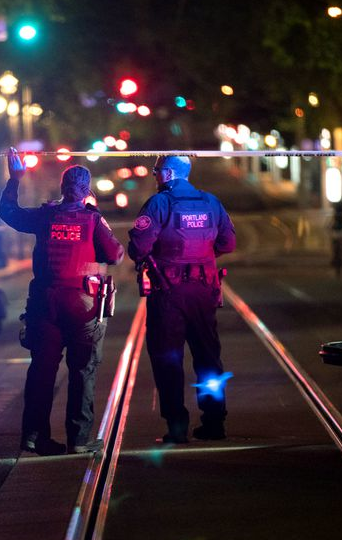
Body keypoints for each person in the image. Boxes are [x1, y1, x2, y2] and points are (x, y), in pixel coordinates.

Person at [0, 147, 125, 455]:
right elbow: (115, 255)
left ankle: (34, 436)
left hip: (44, 305)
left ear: (62, 189)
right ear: (87, 192)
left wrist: (15, 178)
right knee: (83, 369)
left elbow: (9, 213)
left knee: (42, 370)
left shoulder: (46, 215)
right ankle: (80, 439)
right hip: (82, 305)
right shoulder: (92, 220)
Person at [128, 155, 236, 443]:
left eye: (156, 171)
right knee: (208, 358)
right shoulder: (211, 202)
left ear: (168, 173)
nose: (154, 176)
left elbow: (138, 248)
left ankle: (177, 427)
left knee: (168, 359)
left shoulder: (159, 203)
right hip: (204, 291)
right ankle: (214, 423)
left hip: (168, 294)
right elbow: (228, 242)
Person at [329, 200, 342, 277]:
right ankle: (341, 257)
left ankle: (335, 260)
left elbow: (331, 223)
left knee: (335, 247)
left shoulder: (336, 214)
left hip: (336, 232)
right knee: (341, 247)